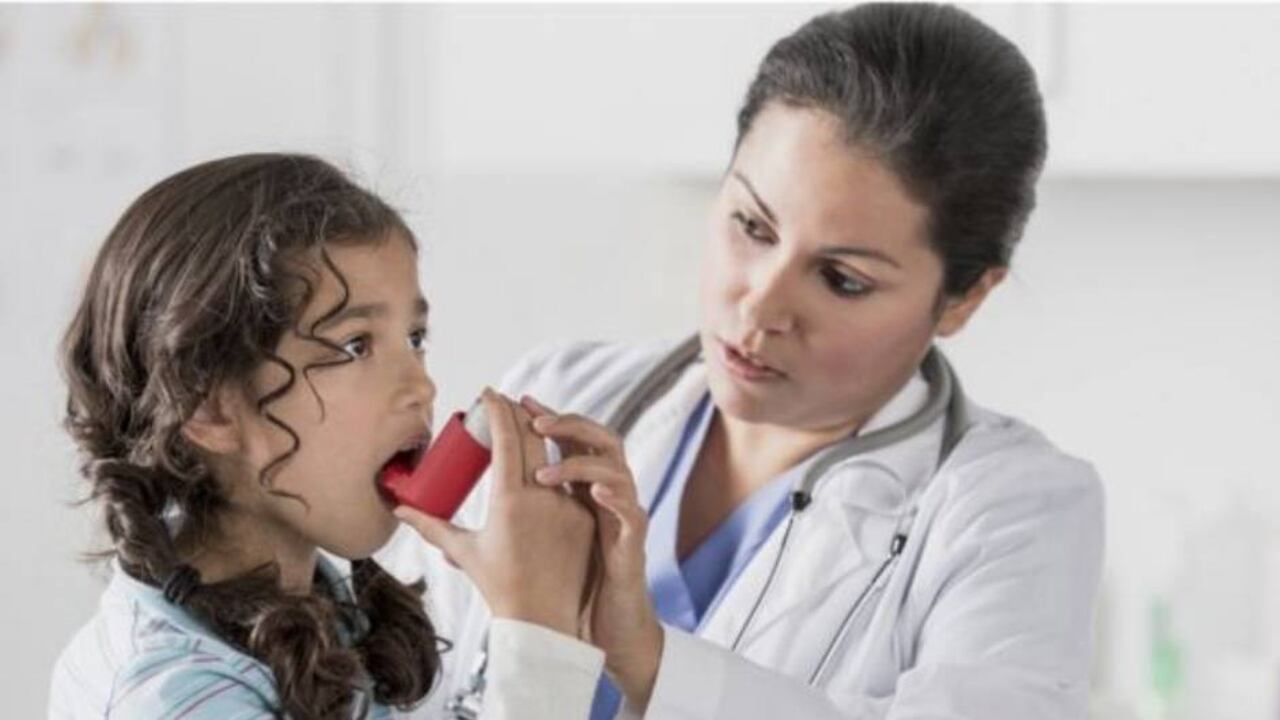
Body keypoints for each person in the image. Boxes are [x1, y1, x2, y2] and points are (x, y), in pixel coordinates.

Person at [379, 4, 1104, 719]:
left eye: (842, 279)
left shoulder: (1012, 512)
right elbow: (387, 679)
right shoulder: (561, 392)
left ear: (964, 299)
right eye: (753, 226)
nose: (761, 308)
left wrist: (651, 662)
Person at [49, 154, 603, 719]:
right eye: (355, 345)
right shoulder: (175, 698)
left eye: (415, 338)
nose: (421, 386)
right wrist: (538, 631)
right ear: (212, 409)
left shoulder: (318, 607)